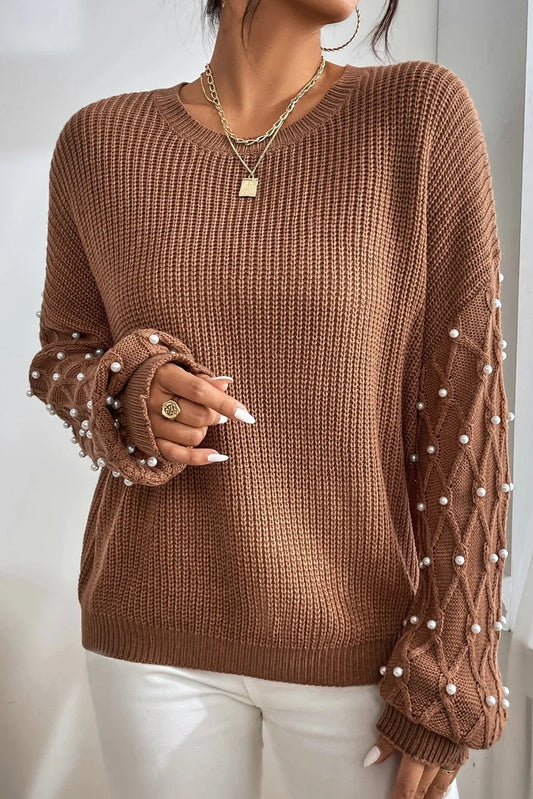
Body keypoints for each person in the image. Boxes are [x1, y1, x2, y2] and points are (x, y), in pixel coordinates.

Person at [27, 0, 512, 797]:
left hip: (365, 642)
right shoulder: (100, 142)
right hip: (152, 632)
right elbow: (62, 355)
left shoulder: (417, 115)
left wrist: (453, 662)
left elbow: (468, 405)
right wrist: (130, 388)